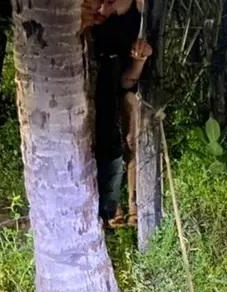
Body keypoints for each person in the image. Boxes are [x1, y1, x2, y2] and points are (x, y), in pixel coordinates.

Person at [91, 0, 152, 229]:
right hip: (98, 81)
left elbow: (130, 77)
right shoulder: (94, 11)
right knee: (103, 141)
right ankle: (109, 207)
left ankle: (135, 208)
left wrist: (140, 60)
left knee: (132, 140)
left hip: (130, 81)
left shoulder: (142, 12)